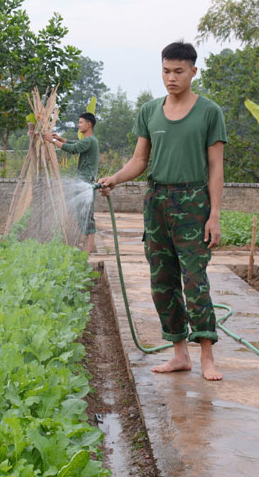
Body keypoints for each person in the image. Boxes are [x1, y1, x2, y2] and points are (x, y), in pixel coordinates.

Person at [97, 41, 227, 381]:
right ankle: (179, 354)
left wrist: (213, 215)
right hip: (156, 203)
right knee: (162, 281)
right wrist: (116, 178)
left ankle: (207, 358)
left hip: (193, 203)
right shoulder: (150, 111)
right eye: (167, 71)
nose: (172, 78)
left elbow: (216, 168)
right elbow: (140, 161)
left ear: (193, 72)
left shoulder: (209, 112)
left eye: (179, 71)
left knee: (195, 281)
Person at [45, 112, 100, 252]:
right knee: (82, 214)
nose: (78, 124)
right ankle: (89, 246)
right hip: (84, 180)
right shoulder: (89, 141)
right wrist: (61, 139)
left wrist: (52, 141)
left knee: (86, 215)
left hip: (86, 181)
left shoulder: (90, 141)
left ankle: (87, 250)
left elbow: (74, 149)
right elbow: (76, 144)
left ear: (89, 125)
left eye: (81, 122)